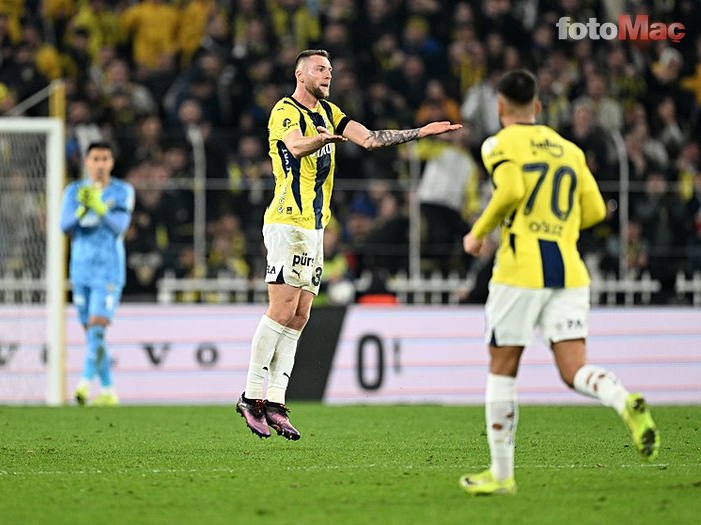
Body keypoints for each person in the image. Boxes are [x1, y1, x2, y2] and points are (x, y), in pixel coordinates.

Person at [236, 49, 462, 440]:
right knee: (281, 308)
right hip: (287, 220)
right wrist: (319, 139)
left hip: (315, 226)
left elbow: (370, 139)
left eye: (330, 70)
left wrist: (420, 132)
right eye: (319, 69)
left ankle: (275, 401)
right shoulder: (284, 110)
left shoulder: (330, 112)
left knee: (300, 314)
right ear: (300, 74)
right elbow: (294, 146)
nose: (327, 75)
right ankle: (251, 396)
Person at [459, 70, 659, 496]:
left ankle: (502, 474)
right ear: (537, 106)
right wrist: (558, 224)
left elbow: (511, 190)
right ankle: (622, 398)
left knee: (502, 367)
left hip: (519, 271)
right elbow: (596, 211)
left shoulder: (498, 143)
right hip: (568, 270)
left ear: (500, 107)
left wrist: (478, 233)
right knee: (574, 369)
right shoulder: (570, 150)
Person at [60, 141, 135, 406]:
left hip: (108, 271)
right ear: (87, 162)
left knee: (96, 328)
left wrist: (100, 207)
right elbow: (63, 225)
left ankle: (83, 383)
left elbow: (120, 227)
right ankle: (109, 390)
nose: (100, 164)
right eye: (95, 159)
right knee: (92, 333)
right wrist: (83, 207)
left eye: (105, 159)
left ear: (111, 163)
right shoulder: (74, 191)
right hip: (80, 271)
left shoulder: (122, 191)